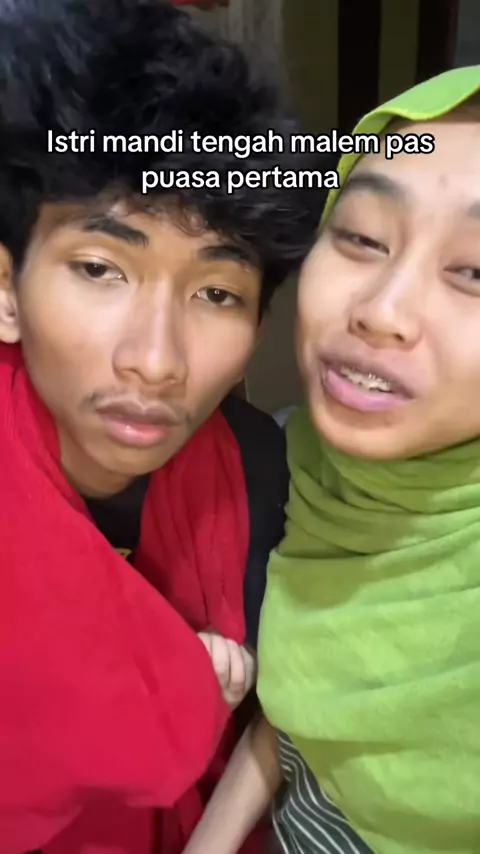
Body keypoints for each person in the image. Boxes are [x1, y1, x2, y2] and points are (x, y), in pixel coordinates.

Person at [0, 1, 324, 853]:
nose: (155, 360)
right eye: (101, 268)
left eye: (216, 293)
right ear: (6, 290)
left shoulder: (265, 475)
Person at [182, 65, 480, 854]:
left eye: (476, 272)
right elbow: (300, 709)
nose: (381, 311)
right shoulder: (304, 464)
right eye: (361, 238)